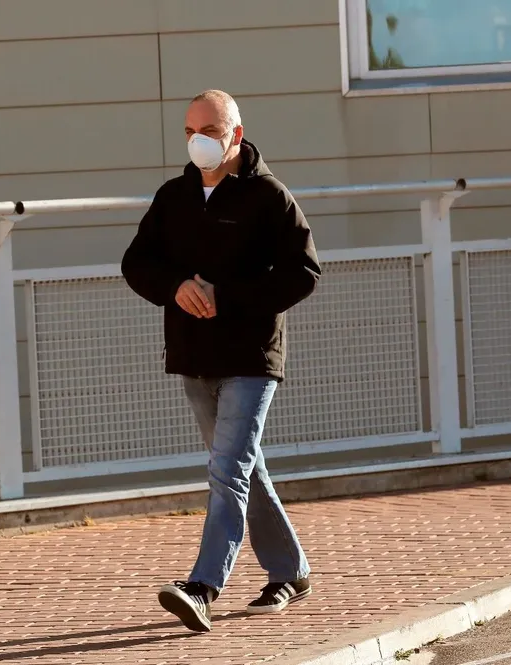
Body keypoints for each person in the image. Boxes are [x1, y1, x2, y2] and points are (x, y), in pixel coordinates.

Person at [120, 90, 321, 633]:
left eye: (207, 129)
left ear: (234, 133)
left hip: (252, 358)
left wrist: (227, 298)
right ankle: (291, 571)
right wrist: (175, 286)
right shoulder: (174, 196)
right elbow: (136, 262)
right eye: (188, 131)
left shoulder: (269, 197)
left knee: (227, 469)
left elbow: (304, 272)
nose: (196, 140)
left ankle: (203, 585)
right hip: (193, 355)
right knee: (241, 468)